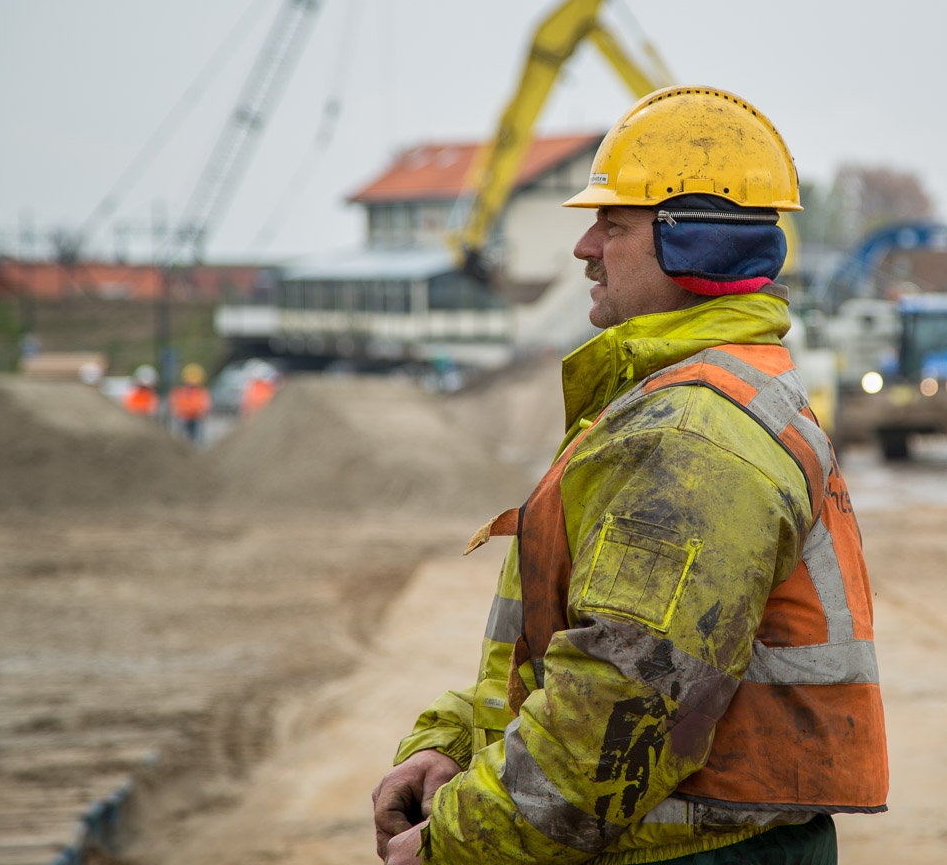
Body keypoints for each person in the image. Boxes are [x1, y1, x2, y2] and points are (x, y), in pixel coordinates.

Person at [372, 86, 888, 865]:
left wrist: (454, 842)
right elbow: (570, 656)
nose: (585, 248)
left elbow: (617, 715)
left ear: (699, 245)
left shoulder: (695, 438)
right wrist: (453, 742)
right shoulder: (676, 403)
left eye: (612, 225)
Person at [168, 362, 211, 444]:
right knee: (180, 437)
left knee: (196, 438)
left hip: (196, 418)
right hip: (182, 417)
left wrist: (202, 413)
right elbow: (173, 403)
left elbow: (206, 405)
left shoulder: (202, 392)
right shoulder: (178, 391)